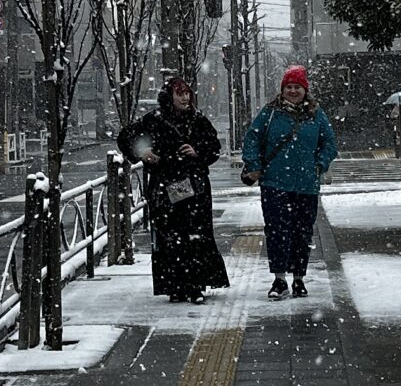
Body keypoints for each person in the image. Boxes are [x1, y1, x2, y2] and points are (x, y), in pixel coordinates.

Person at [122, 77, 228, 303]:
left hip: (195, 187)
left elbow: (214, 148)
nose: (185, 98)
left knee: (195, 235)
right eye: (180, 93)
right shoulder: (154, 120)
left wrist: (197, 151)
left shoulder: (197, 119)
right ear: (169, 96)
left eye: (187, 93)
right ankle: (175, 286)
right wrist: (142, 152)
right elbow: (126, 138)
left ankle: (194, 286)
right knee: (170, 236)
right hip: (164, 186)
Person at [240, 64, 336, 299]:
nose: (293, 91)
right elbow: (252, 138)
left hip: (306, 185)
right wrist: (253, 164)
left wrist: (319, 164)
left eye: (297, 87)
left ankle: (299, 279)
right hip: (274, 183)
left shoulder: (316, 114)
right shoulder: (271, 113)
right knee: (277, 231)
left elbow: (329, 143)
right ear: (283, 89)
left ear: (305, 90)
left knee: (302, 233)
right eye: (289, 87)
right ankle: (279, 279)